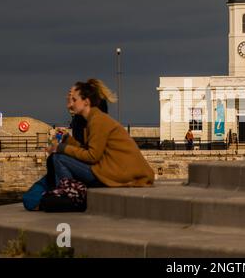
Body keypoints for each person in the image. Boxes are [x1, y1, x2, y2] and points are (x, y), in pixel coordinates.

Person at [23, 79, 154, 211]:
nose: (70, 105)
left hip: (115, 172)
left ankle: (71, 196)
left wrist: (61, 147)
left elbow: (92, 156)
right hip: (112, 169)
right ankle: (66, 194)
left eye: (74, 100)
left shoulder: (97, 120)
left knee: (58, 158)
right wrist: (67, 140)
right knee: (58, 158)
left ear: (86, 101)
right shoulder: (94, 119)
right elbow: (88, 149)